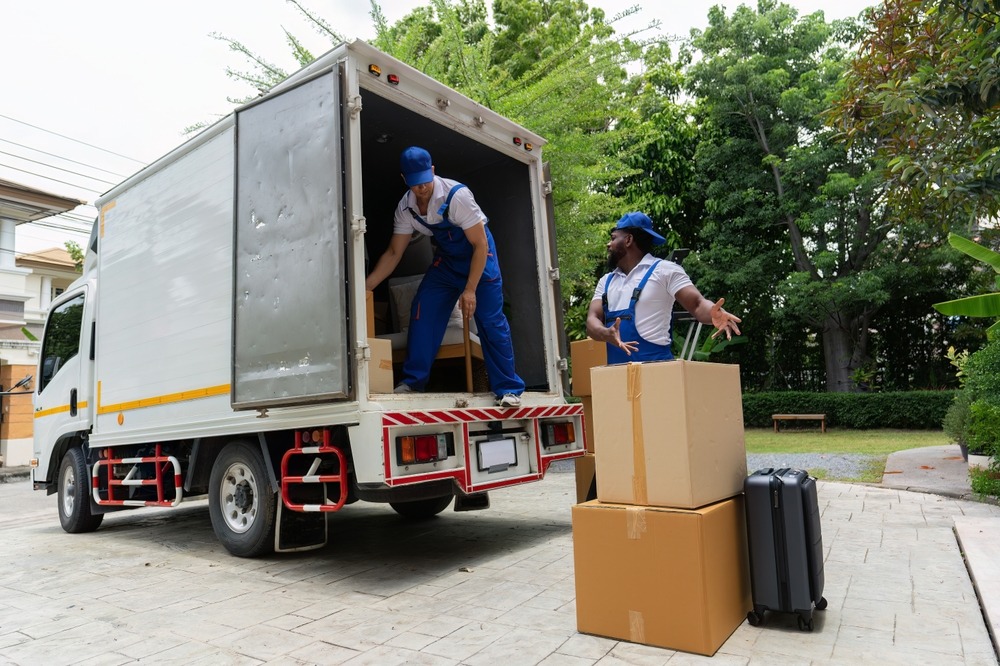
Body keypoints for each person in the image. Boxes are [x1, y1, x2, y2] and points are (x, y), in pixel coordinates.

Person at [365, 146, 525, 407]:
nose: (422, 188)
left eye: (426, 181)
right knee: (423, 308)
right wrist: (367, 288)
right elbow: (394, 252)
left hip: (480, 259)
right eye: (415, 184)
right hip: (449, 262)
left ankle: (508, 388)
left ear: (433, 171)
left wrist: (470, 289)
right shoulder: (406, 208)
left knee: (490, 320)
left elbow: (480, 245)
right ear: (405, 180)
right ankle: (413, 382)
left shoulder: (457, 195)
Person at [586, 212, 741, 364]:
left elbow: (698, 303)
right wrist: (606, 333)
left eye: (613, 238)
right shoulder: (606, 281)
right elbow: (592, 319)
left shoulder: (665, 271)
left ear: (628, 240)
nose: (608, 244)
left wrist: (714, 313)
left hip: (658, 373)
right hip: (616, 376)